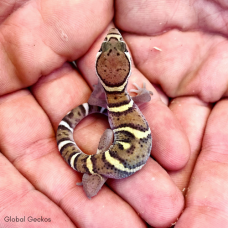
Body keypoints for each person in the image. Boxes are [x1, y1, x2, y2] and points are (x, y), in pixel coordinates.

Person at [0, 0, 227, 227]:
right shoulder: (126, 100)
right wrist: (143, 94)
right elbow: (145, 98)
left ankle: (89, 175)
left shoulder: (106, 98)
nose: (113, 39)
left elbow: (96, 104)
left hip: (104, 163)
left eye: (119, 46)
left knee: (105, 140)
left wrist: (98, 112)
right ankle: (90, 172)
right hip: (113, 160)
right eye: (111, 47)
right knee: (109, 132)